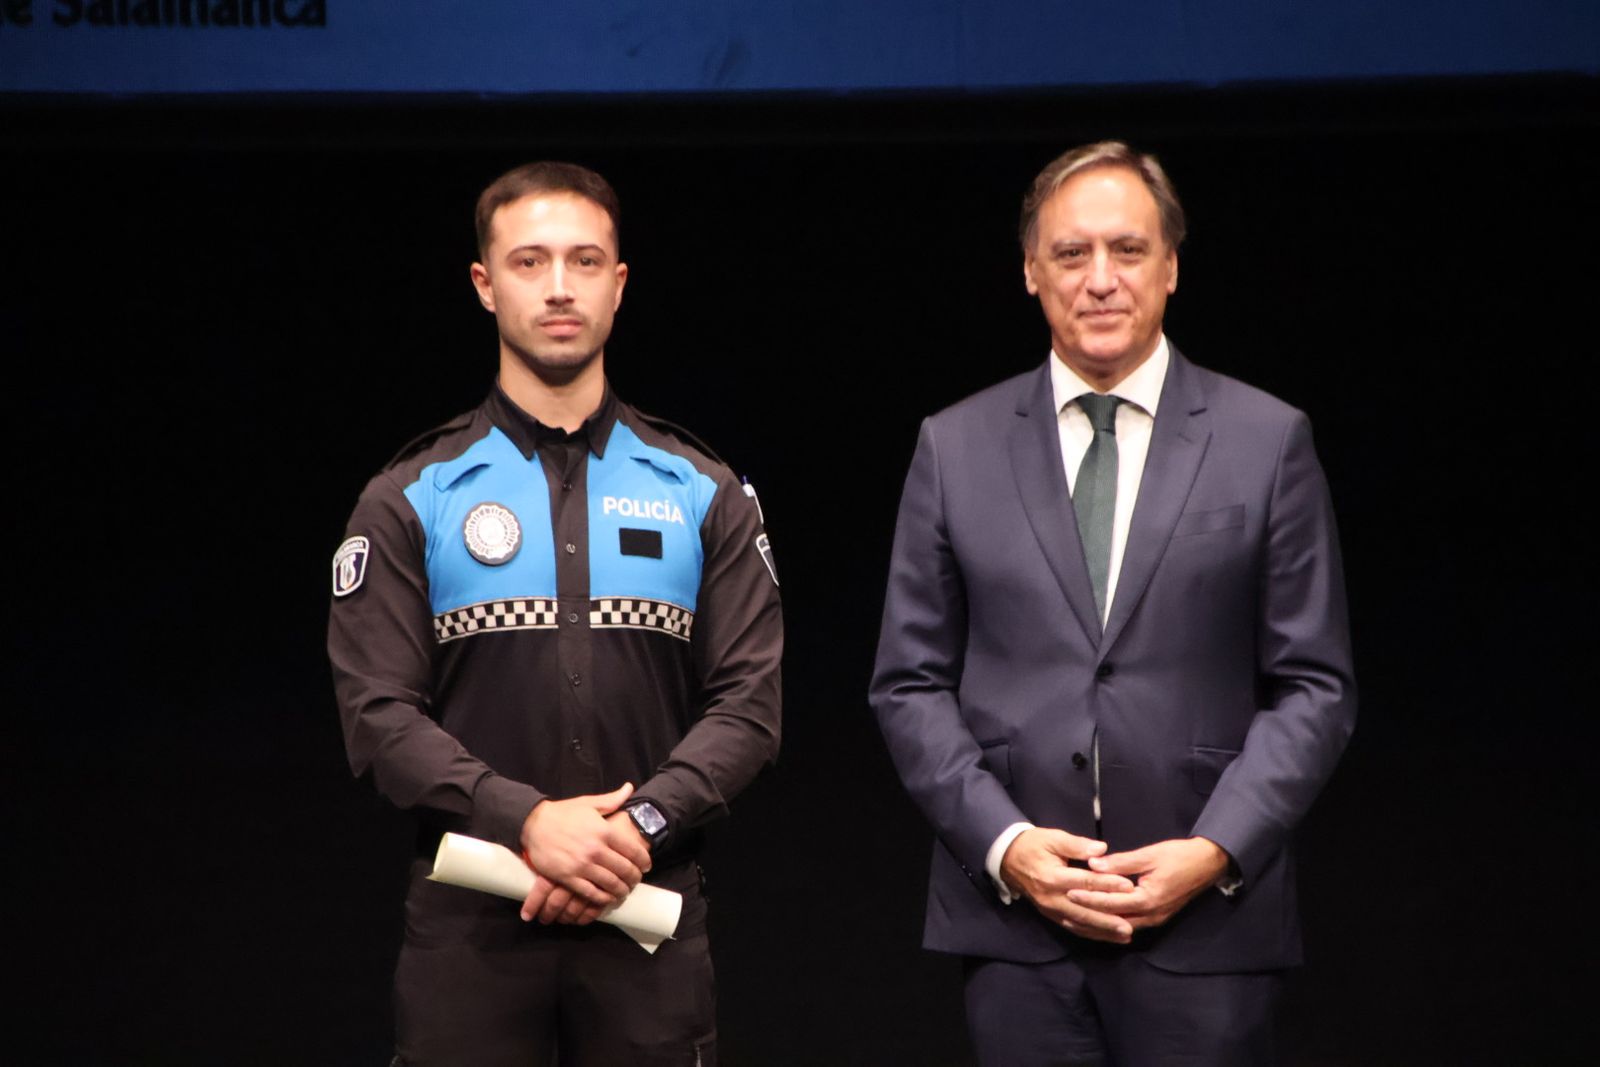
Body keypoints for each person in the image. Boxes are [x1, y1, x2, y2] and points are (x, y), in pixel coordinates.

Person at [868, 141, 1355, 1065]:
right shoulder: (953, 444)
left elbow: (1316, 686)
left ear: (1171, 266)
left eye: (1127, 251)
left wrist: (1215, 849)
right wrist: (1006, 844)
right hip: (1016, 928)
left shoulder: (1267, 439)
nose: (1100, 279)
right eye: (1070, 253)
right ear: (1029, 270)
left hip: (1209, 925)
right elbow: (907, 685)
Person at [328, 161, 781, 1067]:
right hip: (470, 931)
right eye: (531, 263)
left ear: (619, 285)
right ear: (485, 286)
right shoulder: (409, 495)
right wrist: (530, 821)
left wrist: (636, 828)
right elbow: (377, 718)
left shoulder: (703, 489)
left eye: (585, 261)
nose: (561, 287)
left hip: (647, 920)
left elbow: (750, 708)